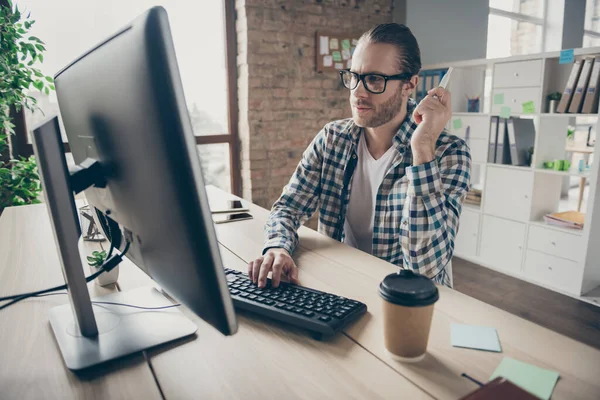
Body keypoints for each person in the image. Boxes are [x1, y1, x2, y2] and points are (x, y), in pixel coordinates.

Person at [248, 23, 471, 289]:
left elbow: (424, 269)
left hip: (407, 301)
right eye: (354, 76)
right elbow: (288, 208)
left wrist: (422, 149)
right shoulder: (333, 139)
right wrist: (278, 247)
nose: (358, 92)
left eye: (375, 79)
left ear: (410, 84)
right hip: (342, 284)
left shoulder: (448, 153)